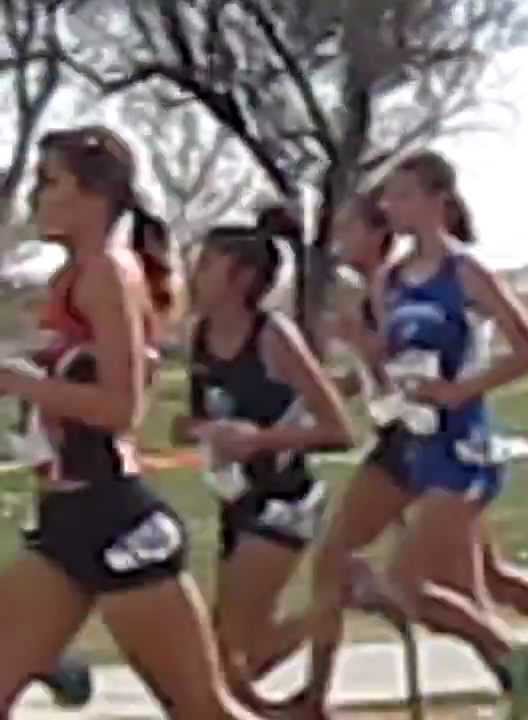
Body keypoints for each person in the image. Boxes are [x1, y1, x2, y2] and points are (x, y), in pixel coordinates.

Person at [298, 156, 528, 720]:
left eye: (403, 197)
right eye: (388, 199)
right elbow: (391, 367)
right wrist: (357, 349)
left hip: (461, 447)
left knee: (411, 585)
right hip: (408, 442)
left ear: (438, 200)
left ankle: (510, 654)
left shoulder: (464, 272)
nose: (391, 208)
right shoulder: (390, 280)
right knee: (389, 565)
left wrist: (463, 389)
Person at [0, 125, 263, 718]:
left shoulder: (106, 272)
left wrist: (26, 384)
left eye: (49, 183)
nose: (34, 198)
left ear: (95, 195)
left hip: (116, 522)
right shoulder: (70, 279)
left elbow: (123, 410)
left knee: (204, 711)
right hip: (67, 520)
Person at [169, 220, 356, 708]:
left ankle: (348, 598)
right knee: (225, 662)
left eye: (207, 263)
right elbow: (201, 415)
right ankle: (275, 711)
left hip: (284, 499)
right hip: (235, 498)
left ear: (243, 277)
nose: (193, 272)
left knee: (229, 652)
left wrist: (261, 440)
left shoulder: (274, 336)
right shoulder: (201, 335)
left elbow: (338, 429)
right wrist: (195, 430)